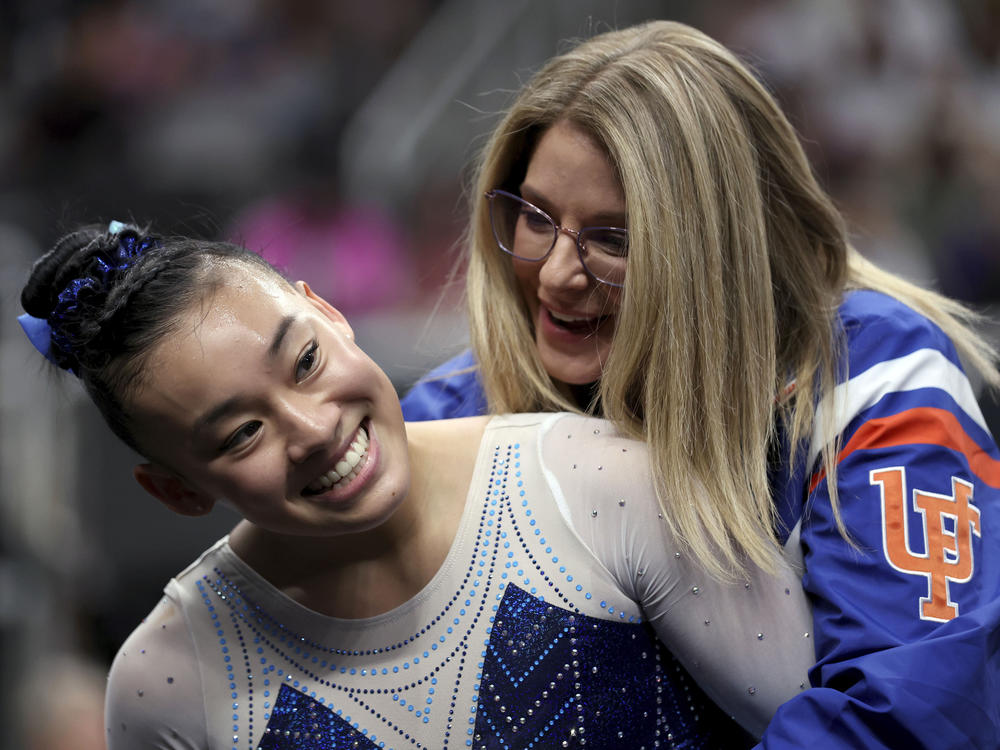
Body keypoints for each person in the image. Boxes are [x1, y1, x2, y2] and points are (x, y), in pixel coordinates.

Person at [401, 20, 1000, 749]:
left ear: (719, 250)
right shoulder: (455, 409)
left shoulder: (876, 376)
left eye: (613, 239)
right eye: (535, 218)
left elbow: (905, 717)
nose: (556, 273)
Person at [18, 221, 816, 749]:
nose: (315, 428)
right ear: (176, 491)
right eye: (241, 434)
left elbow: (831, 729)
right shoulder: (169, 682)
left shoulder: (595, 479)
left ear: (328, 311)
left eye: (304, 363)